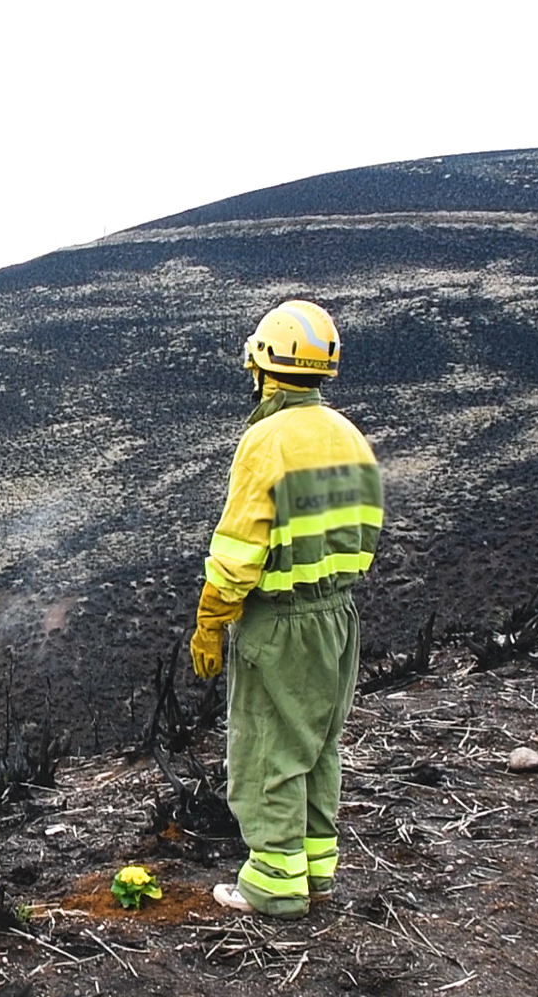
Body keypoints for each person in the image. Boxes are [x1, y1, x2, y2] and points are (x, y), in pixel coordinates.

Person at [189, 300, 384, 919]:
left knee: (270, 748)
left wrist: (212, 620)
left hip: (282, 620)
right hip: (339, 616)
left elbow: (240, 549)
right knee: (319, 744)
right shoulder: (348, 434)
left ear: (264, 366)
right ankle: (315, 872)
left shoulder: (265, 440)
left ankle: (272, 887)